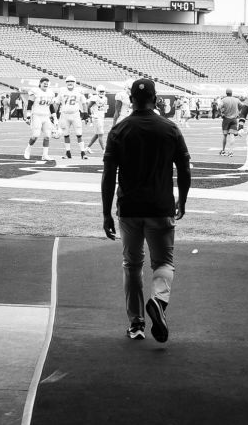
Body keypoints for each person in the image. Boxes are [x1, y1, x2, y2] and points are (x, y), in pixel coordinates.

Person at [101, 78, 191, 343]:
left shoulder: (119, 130)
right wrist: (182, 199)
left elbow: (108, 175)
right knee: (163, 263)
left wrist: (106, 212)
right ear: (156, 99)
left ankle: (137, 323)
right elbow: (184, 169)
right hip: (160, 205)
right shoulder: (169, 128)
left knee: (132, 265)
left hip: (128, 208)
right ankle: (159, 301)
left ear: (131, 99)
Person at [22, 77, 57, 160]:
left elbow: (51, 106)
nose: (45, 84)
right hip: (36, 115)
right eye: (44, 83)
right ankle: (28, 149)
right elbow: (30, 104)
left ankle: (45, 155)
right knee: (35, 135)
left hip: (46, 116)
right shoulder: (35, 91)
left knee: (48, 136)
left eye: (47, 83)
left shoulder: (50, 93)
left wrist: (55, 117)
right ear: (40, 83)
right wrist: (28, 116)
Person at [56, 76, 90, 159]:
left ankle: (83, 152)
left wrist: (85, 113)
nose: (70, 83)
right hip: (64, 115)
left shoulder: (79, 91)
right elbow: (57, 103)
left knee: (79, 134)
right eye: (68, 81)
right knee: (66, 134)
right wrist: (54, 114)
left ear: (74, 83)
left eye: (71, 81)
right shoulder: (62, 91)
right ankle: (68, 152)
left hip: (75, 115)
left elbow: (84, 103)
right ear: (66, 83)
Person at [217, 88, 241, 158]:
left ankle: (223, 150)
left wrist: (221, 114)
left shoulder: (223, 100)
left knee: (225, 135)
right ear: (231, 93)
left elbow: (219, 107)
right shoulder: (236, 99)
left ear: (226, 93)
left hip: (226, 119)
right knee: (232, 135)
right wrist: (238, 112)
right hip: (234, 119)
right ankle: (231, 152)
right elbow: (242, 106)